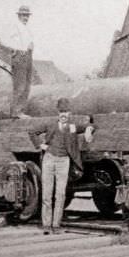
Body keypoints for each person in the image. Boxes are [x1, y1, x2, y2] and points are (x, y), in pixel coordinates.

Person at [38, 97, 93, 233]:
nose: (64, 114)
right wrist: (42, 146)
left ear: (70, 113)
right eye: (61, 111)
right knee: (46, 194)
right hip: (49, 159)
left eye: (66, 111)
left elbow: (92, 125)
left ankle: (56, 225)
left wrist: (89, 129)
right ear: (58, 113)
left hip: (64, 161)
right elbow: (32, 132)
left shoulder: (72, 126)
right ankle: (46, 225)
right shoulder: (50, 125)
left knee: (61, 194)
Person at [9, 5, 34, 118]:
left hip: (28, 56)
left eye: (27, 15)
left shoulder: (25, 28)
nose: (26, 18)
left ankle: (20, 111)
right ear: (19, 15)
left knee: (27, 85)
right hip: (20, 55)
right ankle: (16, 112)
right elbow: (10, 40)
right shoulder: (15, 26)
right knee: (20, 85)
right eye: (24, 15)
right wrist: (18, 50)